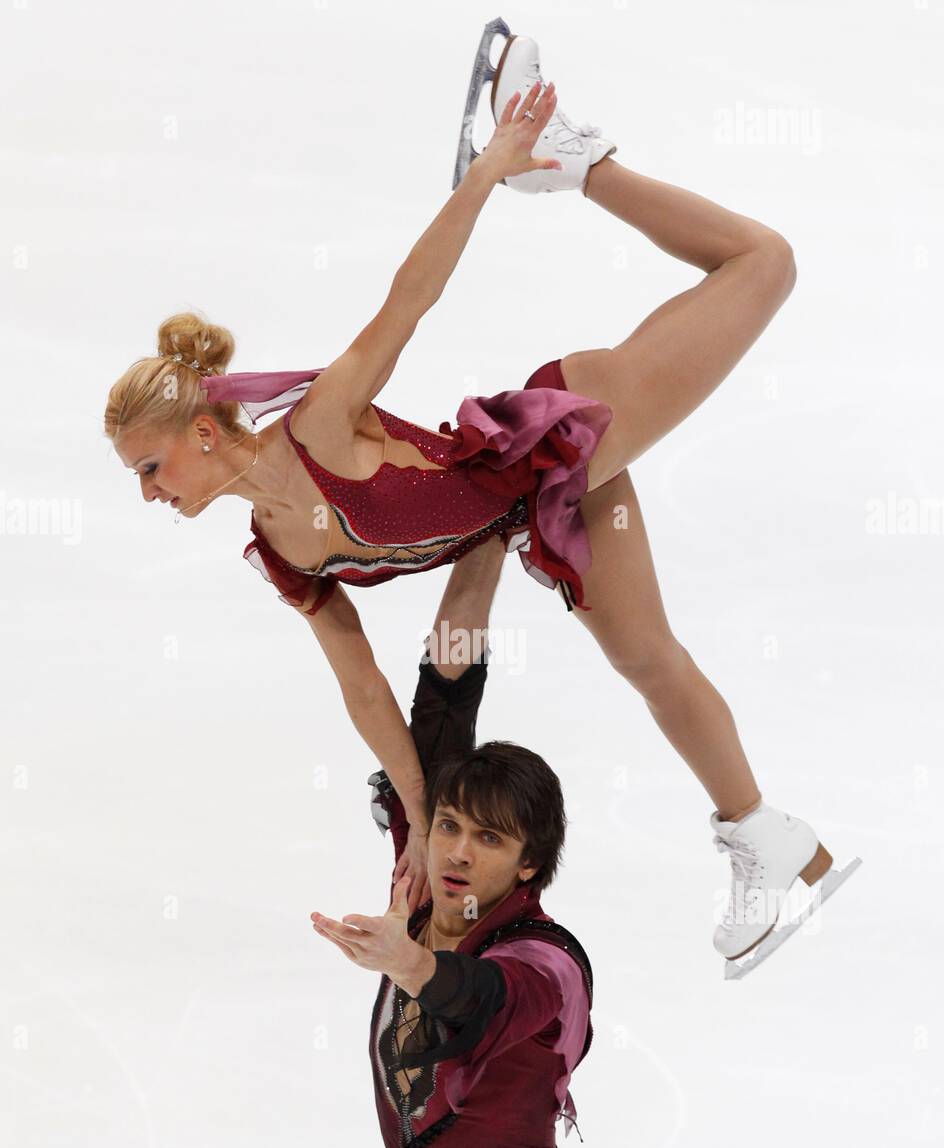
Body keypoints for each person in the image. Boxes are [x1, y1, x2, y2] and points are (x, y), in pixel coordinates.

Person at [104, 27, 858, 972]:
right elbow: (366, 688)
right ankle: (765, 834)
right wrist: (419, 821)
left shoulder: (323, 428)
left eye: (149, 467)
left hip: (559, 432)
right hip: (544, 512)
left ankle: (572, 163)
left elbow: (409, 299)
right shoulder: (282, 553)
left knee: (765, 263)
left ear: (203, 434)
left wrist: (491, 166)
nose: (147, 493)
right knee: (647, 656)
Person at [310, 539, 609, 1148]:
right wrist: (486, 534)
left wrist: (407, 964)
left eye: (491, 839)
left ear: (530, 864)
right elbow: (446, 685)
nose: (458, 852)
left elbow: (481, 999)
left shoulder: (546, 964)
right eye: (450, 825)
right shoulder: (428, 873)